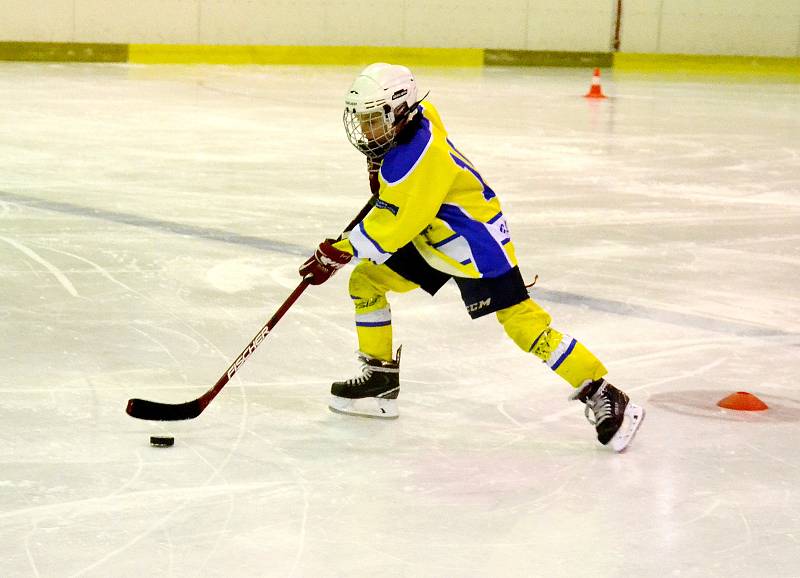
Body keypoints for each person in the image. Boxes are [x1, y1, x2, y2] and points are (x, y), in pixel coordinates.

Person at [299, 63, 645, 452]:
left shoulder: (415, 158)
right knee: (367, 281)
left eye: (373, 119)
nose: (365, 130)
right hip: (433, 235)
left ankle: (604, 392)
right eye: (361, 119)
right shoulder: (414, 122)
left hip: (474, 242)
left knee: (522, 325)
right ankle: (380, 379)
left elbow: (390, 228)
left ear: (399, 111)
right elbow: (397, 211)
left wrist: (338, 252)